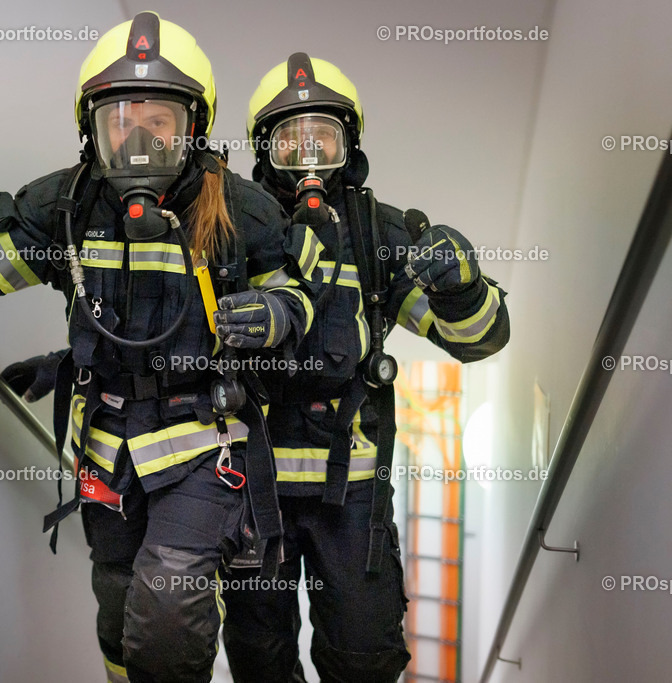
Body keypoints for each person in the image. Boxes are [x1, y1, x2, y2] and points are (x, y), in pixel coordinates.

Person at [0, 13, 318, 683]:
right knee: (118, 612)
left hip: (203, 443)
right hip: (106, 444)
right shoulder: (66, 205)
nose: (140, 138)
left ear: (194, 126)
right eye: (122, 119)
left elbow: (301, 295)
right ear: (91, 125)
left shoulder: (242, 210)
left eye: (160, 119)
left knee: (169, 613)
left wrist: (273, 313)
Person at [218, 53, 511, 683]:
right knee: (258, 659)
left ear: (349, 147)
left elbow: (475, 341)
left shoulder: (379, 236)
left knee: (364, 657)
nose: (308, 155)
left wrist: (462, 288)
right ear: (263, 154)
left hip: (350, 496)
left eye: (322, 136)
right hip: (250, 486)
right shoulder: (231, 233)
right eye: (290, 140)